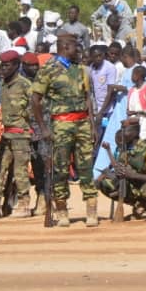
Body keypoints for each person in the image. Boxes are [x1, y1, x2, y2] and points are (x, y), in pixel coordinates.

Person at [31, 34, 99, 228]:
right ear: (66, 46)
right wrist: (43, 128)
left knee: (86, 166)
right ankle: (61, 211)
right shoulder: (48, 70)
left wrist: (92, 126)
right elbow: (35, 99)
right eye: (76, 47)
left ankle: (91, 210)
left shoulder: (81, 70)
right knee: (60, 168)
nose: (79, 51)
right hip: (60, 125)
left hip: (82, 123)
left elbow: (88, 99)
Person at [97, 118, 146, 220]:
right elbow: (119, 167)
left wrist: (132, 175)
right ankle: (139, 204)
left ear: (134, 132)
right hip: (135, 184)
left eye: (125, 129)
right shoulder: (124, 149)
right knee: (108, 184)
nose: (122, 132)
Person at [0, 49, 33, 218]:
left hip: (21, 134)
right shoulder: (3, 84)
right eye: (2, 65)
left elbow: (34, 107)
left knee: (20, 171)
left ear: (16, 66)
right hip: (6, 133)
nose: (3, 69)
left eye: (7, 65)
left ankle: (24, 204)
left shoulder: (24, 84)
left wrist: (25, 121)